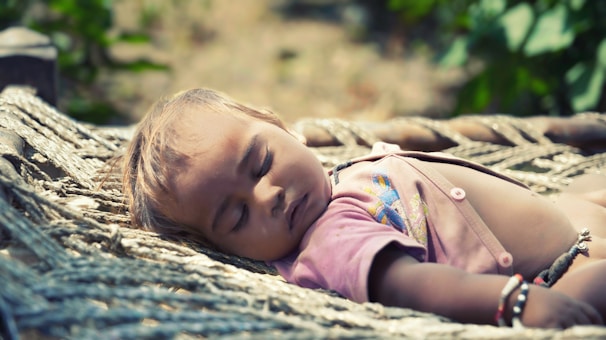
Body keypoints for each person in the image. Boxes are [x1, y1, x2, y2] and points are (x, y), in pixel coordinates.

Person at [122, 88, 606, 329]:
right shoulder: (331, 243)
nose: (266, 195)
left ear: (282, 127)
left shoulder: (331, 183)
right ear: (222, 244)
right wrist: (514, 303)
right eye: (237, 217)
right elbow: (410, 285)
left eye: (263, 162)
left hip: (563, 217)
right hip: (551, 276)